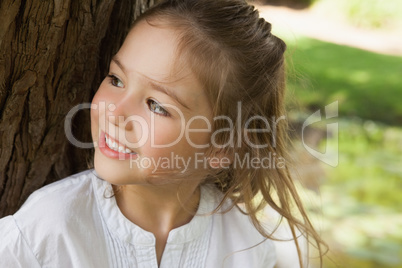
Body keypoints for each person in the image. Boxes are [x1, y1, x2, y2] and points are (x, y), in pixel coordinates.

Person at [0, 0, 326, 267]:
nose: (115, 112)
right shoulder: (47, 232)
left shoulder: (245, 245)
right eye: (116, 80)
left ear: (221, 147)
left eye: (156, 105)